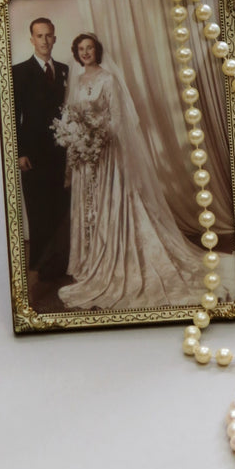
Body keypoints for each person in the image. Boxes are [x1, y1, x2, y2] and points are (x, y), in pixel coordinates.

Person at [56, 33, 211, 310]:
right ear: (76, 53)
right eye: (81, 49)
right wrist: (77, 138)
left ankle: (113, 254)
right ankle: (90, 258)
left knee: (111, 202)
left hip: (106, 152)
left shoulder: (108, 79)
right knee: (88, 203)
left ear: (97, 50)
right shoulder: (77, 81)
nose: (86, 53)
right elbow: (70, 114)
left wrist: (98, 137)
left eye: (89, 48)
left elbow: (117, 117)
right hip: (84, 155)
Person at [12, 17, 70, 279]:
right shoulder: (18, 71)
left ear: (55, 38)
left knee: (60, 207)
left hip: (62, 152)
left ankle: (60, 264)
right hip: (32, 153)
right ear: (32, 39)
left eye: (49, 35)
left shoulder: (65, 69)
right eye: (39, 36)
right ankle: (38, 266)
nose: (45, 41)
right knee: (37, 210)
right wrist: (20, 152)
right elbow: (13, 115)